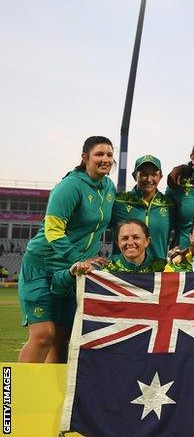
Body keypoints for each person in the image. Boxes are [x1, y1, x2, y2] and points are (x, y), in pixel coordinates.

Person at [18, 136, 116, 363]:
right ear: (85, 158)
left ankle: (53, 397)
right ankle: (11, 397)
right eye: (99, 154)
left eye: (109, 155)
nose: (105, 159)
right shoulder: (70, 186)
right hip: (43, 266)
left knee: (63, 337)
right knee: (44, 335)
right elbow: (53, 230)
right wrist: (78, 259)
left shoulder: (109, 188)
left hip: (74, 273)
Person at [112, 155, 174, 260]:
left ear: (160, 177)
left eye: (154, 174)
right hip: (123, 271)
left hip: (157, 271)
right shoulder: (119, 202)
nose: (149, 179)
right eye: (144, 174)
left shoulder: (169, 205)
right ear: (134, 175)